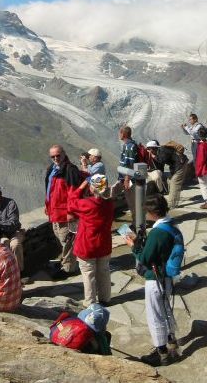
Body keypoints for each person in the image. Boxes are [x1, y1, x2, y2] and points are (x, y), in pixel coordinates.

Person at [124, 194, 180, 366]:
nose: (146, 215)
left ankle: (161, 353)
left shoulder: (157, 232)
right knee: (166, 310)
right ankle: (172, 341)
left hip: (155, 279)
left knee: (155, 315)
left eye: (147, 212)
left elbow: (146, 259)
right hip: (167, 277)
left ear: (153, 213)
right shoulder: (172, 226)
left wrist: (133, 247)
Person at [68, 174, 115, 306]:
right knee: (104, 272)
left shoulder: (87, 204)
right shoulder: (109, 203)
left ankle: (90, 302)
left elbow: (71, 203)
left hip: (87, 245)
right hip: (104, 243)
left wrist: (81, 186)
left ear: (92, 188)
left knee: (89, 274)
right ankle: (105, 299)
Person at [45, 144, 84, 279]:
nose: (55, 158)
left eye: (58, 155)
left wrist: (71, 212)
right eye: (53, 156)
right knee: (60, 237)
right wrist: (47, 205)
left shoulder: (70, 170)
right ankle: (67, 262)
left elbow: (73, 192)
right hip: (54, 211)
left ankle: (69, 268)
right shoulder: (52, 169)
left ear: (63, 154)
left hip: (64, 213)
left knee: (67, 239)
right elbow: (50, 189)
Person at [0, 182, 25, 274]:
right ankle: (7, 273)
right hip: (0, 234)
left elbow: (13, 223)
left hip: (14, 232)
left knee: (15, 245)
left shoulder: (10, 203)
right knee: (3, 244)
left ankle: (19, 272)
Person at [155, 141, 189, 208]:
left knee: (174, 184)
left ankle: (171, 204)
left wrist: (155, 157)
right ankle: (173, 200)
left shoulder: (162, 150)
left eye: (149, 149)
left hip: (180, 166)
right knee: (170, 181)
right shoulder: (163, 149)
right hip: (177, 165)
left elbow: (162, 161)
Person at [118, 126, 140, 216]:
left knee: (132, 200)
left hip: (130, 178)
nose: (119, 135)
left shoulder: (129, 146)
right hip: (128, 177)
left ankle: (137, 223)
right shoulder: (129, 144)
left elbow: (130, 164)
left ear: (123, 134)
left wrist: (127, 179)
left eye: (120, 133)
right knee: (131, 199)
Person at [195, 127, 207, 209]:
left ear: (199, 135)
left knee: (204, 185)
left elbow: (200, 160)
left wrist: (198, 172)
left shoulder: (201, 146)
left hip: (204, 169)